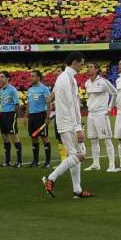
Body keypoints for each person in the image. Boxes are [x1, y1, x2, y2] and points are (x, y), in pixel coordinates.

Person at [42, 52, 92, 198]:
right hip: (69, 124)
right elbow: (71, 105)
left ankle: (77, 190)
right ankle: (51, 178)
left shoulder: (64, 78)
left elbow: (58, 100)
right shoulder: (67, 79)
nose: (83, 66)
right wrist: (78, 128)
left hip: (66, 122)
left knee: (74, 155)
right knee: (80, 155)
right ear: (75, 62)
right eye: (82, 63)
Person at [84, 62, 117, 172]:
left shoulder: (103, 82)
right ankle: (96, 164)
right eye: (88, 67)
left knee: (107, 139)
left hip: (101, 114)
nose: (88, 69)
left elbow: (115, 93)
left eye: (91, 67)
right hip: (91, 114)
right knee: (93, 140)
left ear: (97, 69)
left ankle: (112, 165)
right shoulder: (87, 83)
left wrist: (109, 108)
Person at [27, 70, 52, 168]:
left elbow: (49, 103)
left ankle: (48, 162)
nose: (31, 78)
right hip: (32, 117)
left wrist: (47, 117)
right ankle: (35, 161)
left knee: (44, 138)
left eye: (33, 76)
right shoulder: (30, 90)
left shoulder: (44, 89)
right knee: (33, 138)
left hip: (41, 116)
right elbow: (29, 103)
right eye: (31, 76)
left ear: (38, 78)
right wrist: (26, 116)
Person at [0, 71, 22, 167]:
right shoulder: (1, 90)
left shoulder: (12, 90)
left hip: (10, 114)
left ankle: (19, 161)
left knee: (14, 136)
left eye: (2, 77)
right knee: (4, 137)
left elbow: (17, 104)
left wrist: (15, 116)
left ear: (8, 78)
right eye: (0, 77)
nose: (0, 78)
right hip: (2, 114)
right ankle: (7, 161)